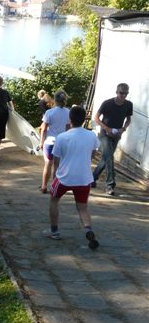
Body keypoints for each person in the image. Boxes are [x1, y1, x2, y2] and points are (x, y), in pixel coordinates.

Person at [46, 106, 100, 250]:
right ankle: (88, 230)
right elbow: (93, 154)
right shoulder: (91, 136)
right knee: (82, 207)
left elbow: (56, 161)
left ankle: (54, 231)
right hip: (84, 178)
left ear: (70, 119)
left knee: (54, 200)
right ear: (84, 120)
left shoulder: (62, 137)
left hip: (64, 177)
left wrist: (54, 177)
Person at [92, 83, 133, 196]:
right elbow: (96, 118)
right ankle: (110, 185)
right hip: (104, 134)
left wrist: (123, 129)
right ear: (116, 92)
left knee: (105, 159)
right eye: (121, 93)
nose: (123, 95)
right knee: (109, 157)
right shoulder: (107, 103)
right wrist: (106, 128)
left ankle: (92, 179)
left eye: (125, 93)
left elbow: (128, 119)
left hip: (116, 136)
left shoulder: (128, 105)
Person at [39, 90, 70, 193]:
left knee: (48, 163)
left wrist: (41, 142)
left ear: (55, 100)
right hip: (61, 142)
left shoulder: (49, 112)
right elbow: (68, 129)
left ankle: (44, 186)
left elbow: (43, 129)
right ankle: (54, 187)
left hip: (50, 141)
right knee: (57, 165)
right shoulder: (68, 112)